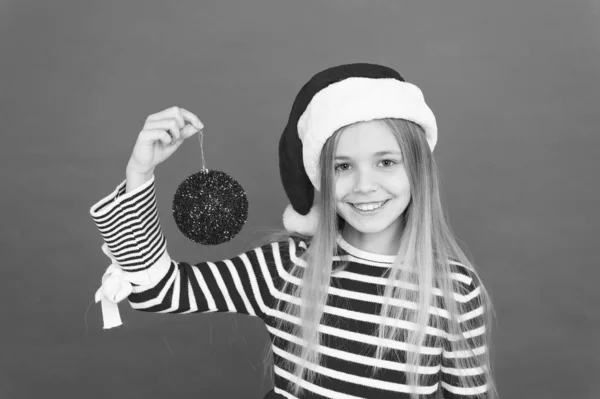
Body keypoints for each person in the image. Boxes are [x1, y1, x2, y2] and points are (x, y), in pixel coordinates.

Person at [90, 63, 498, 399]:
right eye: (342, 166)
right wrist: (140, 173)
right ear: (320, 177)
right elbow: (156, 290)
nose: (364, 185)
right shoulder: (287, 266)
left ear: (418, 169)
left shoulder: (454, 289)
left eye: (386, 162)